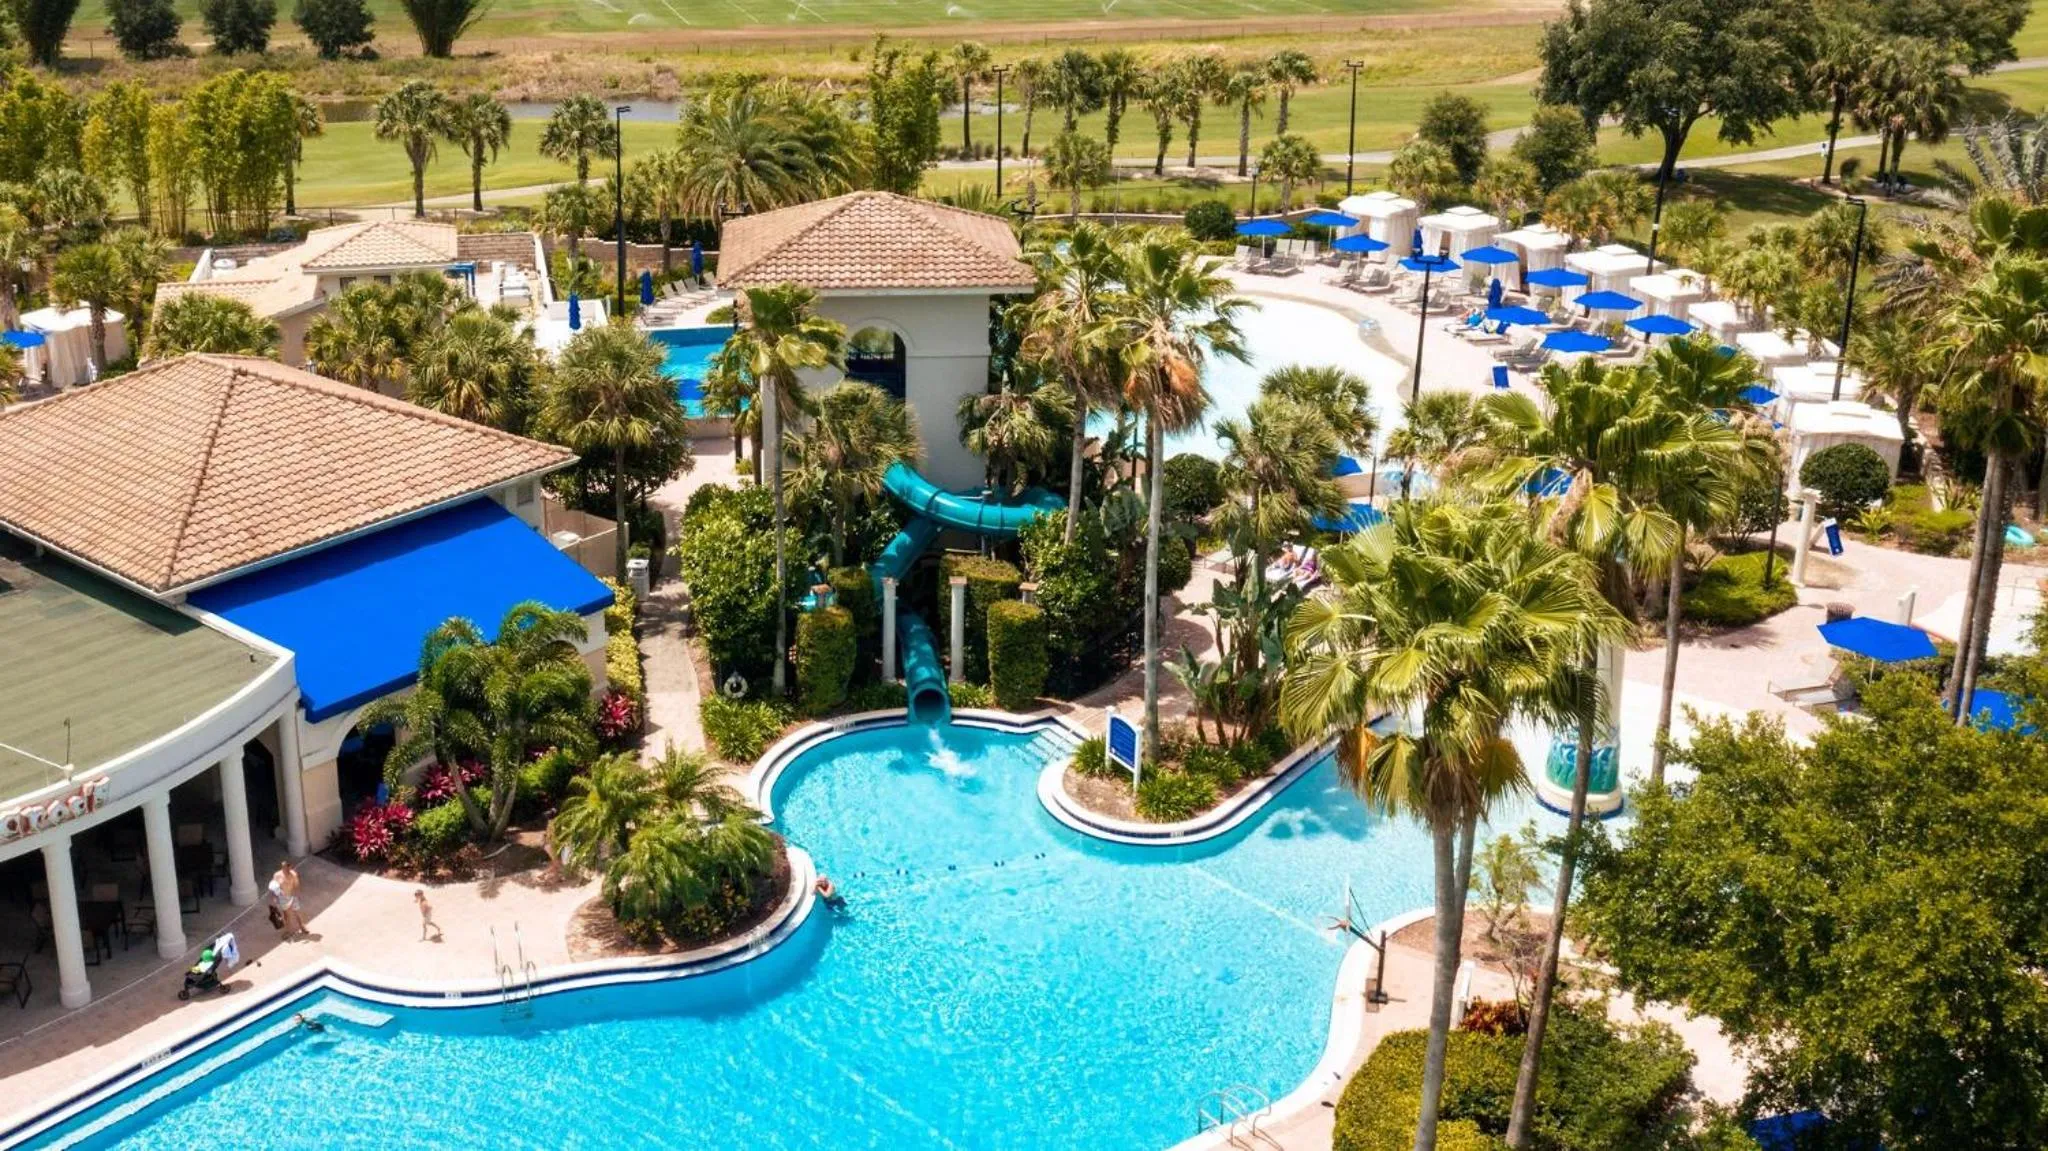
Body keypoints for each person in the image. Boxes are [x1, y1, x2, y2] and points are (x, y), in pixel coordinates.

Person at [269, 860, 307, 939]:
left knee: (297, 912)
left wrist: (295, 895)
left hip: (292, 896)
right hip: (283, 898)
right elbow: (273, 886)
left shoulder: (293, 875)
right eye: (284, 867)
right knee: (286, 915)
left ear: (290, 867)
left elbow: (296, 885)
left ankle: (302, 927)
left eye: (287, 867)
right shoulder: (277, 875)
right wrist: (274, 897)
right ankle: (289, 931)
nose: (286, 869)